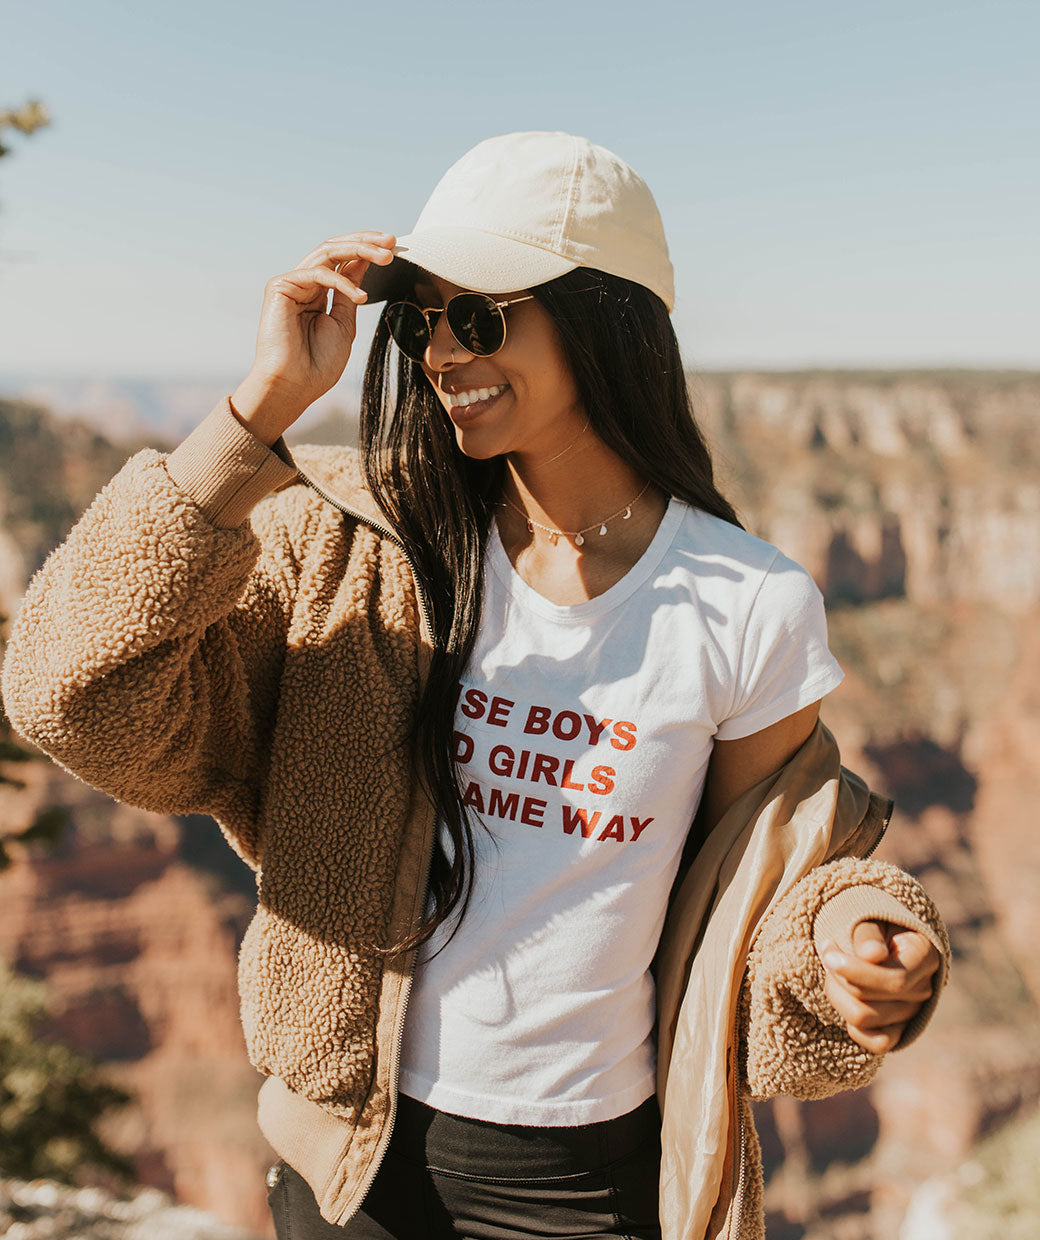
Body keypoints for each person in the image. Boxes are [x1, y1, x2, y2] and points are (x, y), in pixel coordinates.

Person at [1, 132, 949, 1240]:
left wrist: (857, 926)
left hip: (577, 1182)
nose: (442, 350)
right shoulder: (350, 545)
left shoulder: (746, 602)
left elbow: (759, 879)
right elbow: (68, 689)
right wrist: (250, 416)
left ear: (606, 323)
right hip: (343, 1161)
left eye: (482, 314)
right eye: (423, 317)